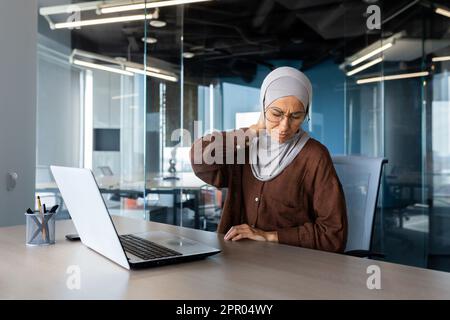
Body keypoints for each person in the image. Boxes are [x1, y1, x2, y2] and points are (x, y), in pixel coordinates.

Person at [190, 66, 347, 252]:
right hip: (238, 260)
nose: (284, 126)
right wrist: (253, 131)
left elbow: (333, 234)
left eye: (296, 116)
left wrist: (269, 236)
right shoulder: (245, 148)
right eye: (276, 113)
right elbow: (200, 159)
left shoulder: (315, 155)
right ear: (263, 107)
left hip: (293, 264)